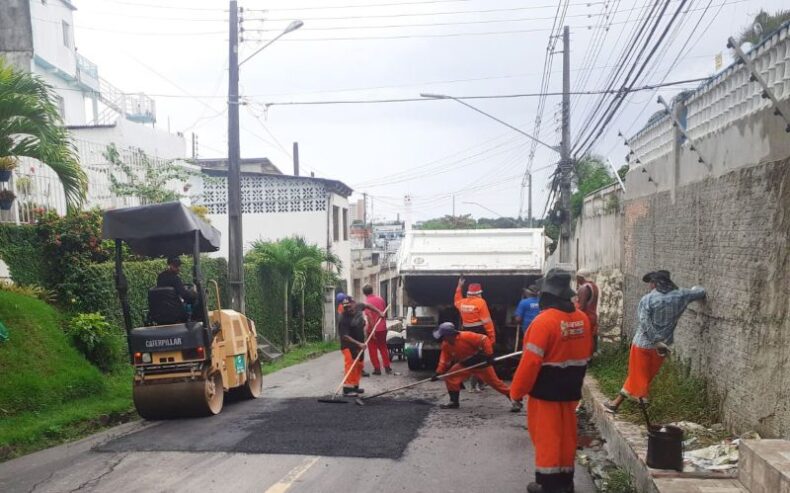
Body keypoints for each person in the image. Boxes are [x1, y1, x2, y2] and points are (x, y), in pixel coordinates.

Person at [510, 268, 593, 493]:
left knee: (547, 438)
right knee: (567, 437)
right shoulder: (582, 319)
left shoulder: (543, 322)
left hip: (546, 392)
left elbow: (529, 364)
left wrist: (516, 392)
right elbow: (586, 354)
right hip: (571, 389)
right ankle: (565, 482)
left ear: (547, 294)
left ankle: (547, 485)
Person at [604, 270, 706, 414]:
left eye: (651, 283)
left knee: (639, 377)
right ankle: (617, 404)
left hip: (642, 345)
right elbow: (701, 292)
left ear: (654, 284)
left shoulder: (648, 299)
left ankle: (642, 405)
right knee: (641, 377)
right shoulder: (682, 295)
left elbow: (645, 322)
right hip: (662, 348)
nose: (650, 286)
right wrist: (694, 289)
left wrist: (655, 340)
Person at [431, 322, 522, 412]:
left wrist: (489, 355)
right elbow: (444, 360)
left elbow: (484, 339)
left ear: (449, 335)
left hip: (480, 363)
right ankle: (453, 402)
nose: (441, 339)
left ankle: (515, 400)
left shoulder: (466, 336)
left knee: (496, 384)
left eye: (443, 336)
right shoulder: (446, 345)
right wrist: (438, 372)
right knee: (450, 377)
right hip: (465, 364)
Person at [454, 277, 495, 392]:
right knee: (479, 358)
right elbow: (487, 322)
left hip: (465, 332)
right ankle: (474, 386)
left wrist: (459, 286)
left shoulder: (462, 303)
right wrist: (491, 338)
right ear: (479, 293)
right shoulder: (481, 302)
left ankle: (477, 383)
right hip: (478, 332)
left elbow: (456, 299)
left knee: (469, 356)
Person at [337, 297, 368, 397]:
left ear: (354, 304)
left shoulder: (358, 310)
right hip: (348, 346)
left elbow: (367, 306)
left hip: (359, 345)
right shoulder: (343, 319)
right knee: (350, 366)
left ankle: (355, 386)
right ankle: (347, 390)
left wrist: (379, 312)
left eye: (349, 306)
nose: (348, 309)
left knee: (359, 366)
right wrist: (359, 344)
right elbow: (345, 336)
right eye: (346, 307)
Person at [363, 284, 391, 375]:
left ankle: (377, 369)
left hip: (373, 329)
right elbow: (384, 312)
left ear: (364, 293)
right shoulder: (380, 299)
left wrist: (372, 330)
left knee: (372, 349)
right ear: (372, 290)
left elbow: (369, 317)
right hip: (382, 328)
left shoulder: (367, 302)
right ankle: (387, 367)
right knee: (383, 347)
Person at [575, 269, 600, 354]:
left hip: (586, 317)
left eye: (577, 278)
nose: (576, 280)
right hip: (593, 316)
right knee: (592, 338)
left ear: (580, 277)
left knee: (586, 340)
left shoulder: (584, 288)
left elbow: (581, 307)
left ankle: (586, 356)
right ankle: (593, 354)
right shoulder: (594, 286)